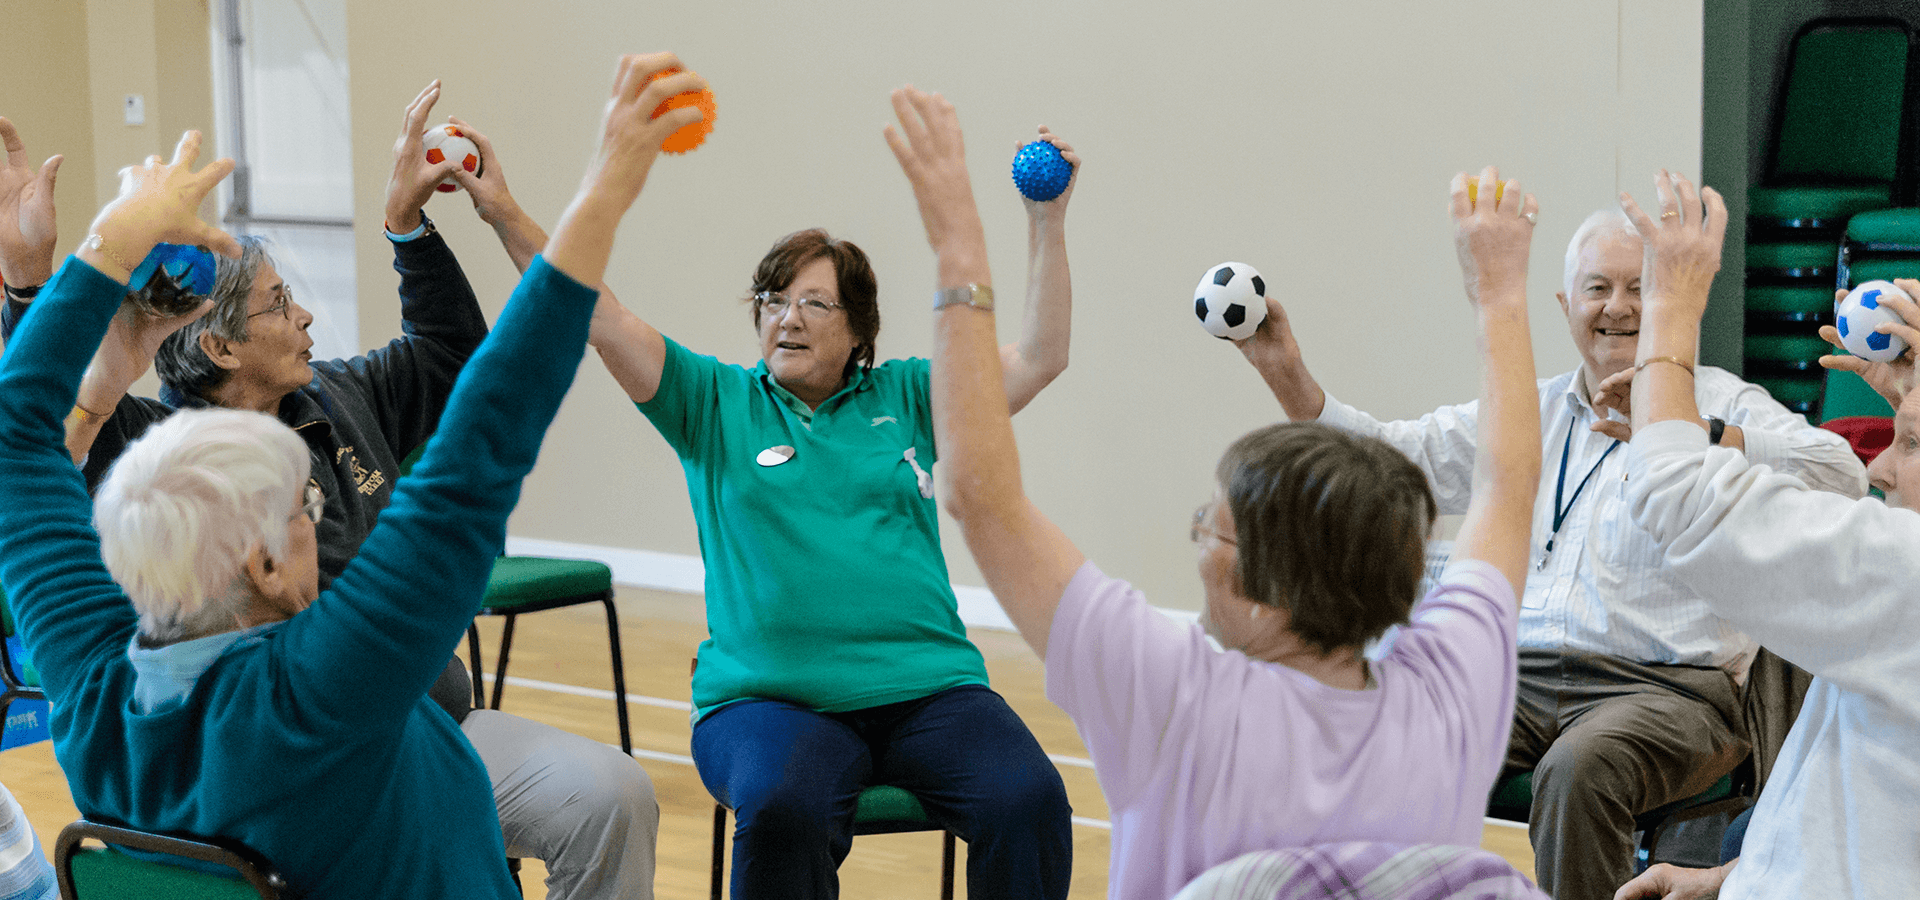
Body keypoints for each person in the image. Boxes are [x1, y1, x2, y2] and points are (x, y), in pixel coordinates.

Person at [0, 54, 702, 897]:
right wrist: (607, 188)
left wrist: (85, 255)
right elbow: (479, 448)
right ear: (260, 565)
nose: (317, 511)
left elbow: (17, 441)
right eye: (299, 506)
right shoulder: (323, 695)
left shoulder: (89, 689)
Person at [895, 82, 1544, 900]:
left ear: (1272, 595)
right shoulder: (1455, 691)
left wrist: (957, 247)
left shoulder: (1173, 700)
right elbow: (1509, 484)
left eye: (1215, 527)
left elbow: (980, 495)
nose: (1199, 536)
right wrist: (1501, 294)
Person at [452, 109, 1075, 895]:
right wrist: (502, 209)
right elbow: (594, 310)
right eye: (774, 299)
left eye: (814, 303)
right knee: (786, 808)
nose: (787, 316)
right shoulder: (713, 402)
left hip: (928, 690)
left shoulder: (914, 394)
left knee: (1029, 799)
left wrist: (1046, 220)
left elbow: (1045, 356)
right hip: (767, 702)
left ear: (859, 331)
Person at [1234, 193, 1868, 897]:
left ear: (1670, 300)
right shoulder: (1526, 412)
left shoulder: (1720, 400)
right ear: (1567, 304)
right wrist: (1282, 369)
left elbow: (1841, 473)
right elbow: (1392, 458)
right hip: (1520, 674)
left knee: (1579, 768)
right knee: (1387, 724)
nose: (1618, 307)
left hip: (1669, 691)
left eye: (1639, 287)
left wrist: (1696, 430)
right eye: (1599, 288)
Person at [1603, 173, 1920, 899]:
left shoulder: (1906, 575)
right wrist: (1732, 878)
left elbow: (1678, 493)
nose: (1876, 466)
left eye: (1906, 443)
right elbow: (1873, 819)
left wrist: (1671, 314)